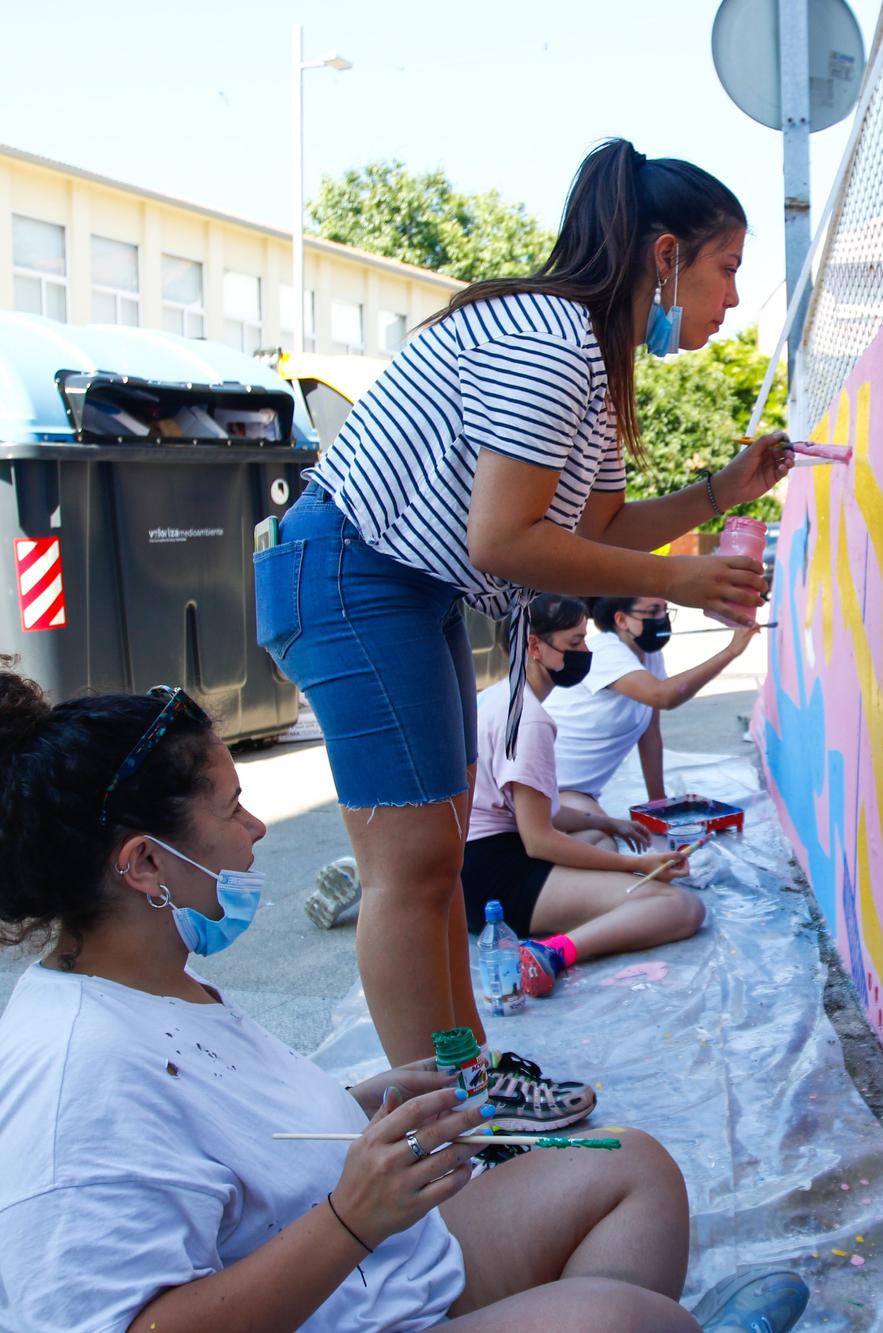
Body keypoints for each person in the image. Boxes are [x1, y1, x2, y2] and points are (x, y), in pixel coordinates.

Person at [0, 658, 809, 1333]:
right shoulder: (67, 1087)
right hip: (340, 1288)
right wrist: (353, 1216)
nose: (256, 829)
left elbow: (212, 1146)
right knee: (630, 1323)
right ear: (145, 863)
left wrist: (360, 1104)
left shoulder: (149, 986)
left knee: (632, 1168)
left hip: (371, 1278)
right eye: (231, 809)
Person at [255, 137, 792, 1066]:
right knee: (411, 871)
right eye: (727, 268)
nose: (736, 296)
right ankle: (445, 1112)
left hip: (398, 587)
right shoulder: (549, 339)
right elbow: (504, 542)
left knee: (437, 867)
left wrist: (724, 494)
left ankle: (472, 1077)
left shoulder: (594, 362)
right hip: (350, 576)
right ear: (665, 256)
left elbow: (601, 526)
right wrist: (685, 579)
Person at [462, 594, 706, 997]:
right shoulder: (530, 720)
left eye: (584, 641)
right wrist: (638, 865)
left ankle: (580, 917)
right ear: (534, 647)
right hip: (494, 879)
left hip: (477, 865)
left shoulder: (501, 697)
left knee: (598, 839)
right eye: (575, 644)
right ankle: (550, 953)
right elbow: (539, 839)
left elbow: (537, 812)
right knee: (680, 907)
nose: (585, 652)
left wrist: (604, 822)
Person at [546, 596, 757, 822]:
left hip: (576, 791)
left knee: (600, 840)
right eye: (653, 611)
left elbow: (650, 735)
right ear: (622, 620)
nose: (662, 619)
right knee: (600, 842)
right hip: (549, 786)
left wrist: (658, 802)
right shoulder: (605, 652)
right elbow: (664, 697)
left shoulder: (650, 656)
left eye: (665, 610)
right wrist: (731, 651)